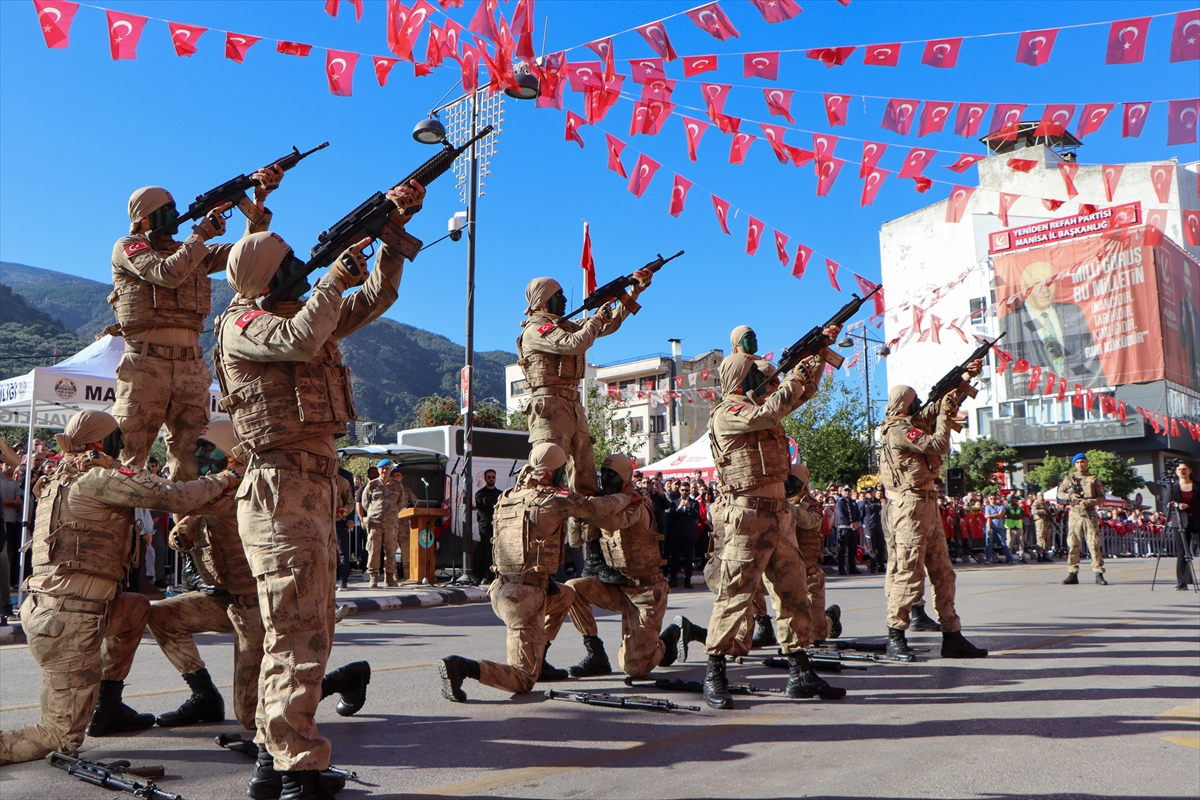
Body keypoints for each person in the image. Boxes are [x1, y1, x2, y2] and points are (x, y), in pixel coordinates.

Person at [213, 180, 424, 799]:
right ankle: (297, 771)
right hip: (279, 489)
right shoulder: (243, 323)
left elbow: (376, 297)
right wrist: (332, 279)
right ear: (265, 276)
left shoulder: (305, 314)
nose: (302, 269)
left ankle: (273, 761)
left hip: (309, 489)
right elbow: (301, 339)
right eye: (290, 263)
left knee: (307, 629)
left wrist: (391, 234)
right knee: (296, 632)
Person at [0, 411, 238, 766]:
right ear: (99, 442)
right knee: (60, 736)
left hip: (66, 609)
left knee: (136, 608)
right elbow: (173, 497)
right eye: (116, 436)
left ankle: (108, 705)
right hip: (69, 620)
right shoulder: (97, 478)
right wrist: (227, 477)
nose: (122, 443)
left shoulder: (58, 477)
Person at [148, 422, 367, 799]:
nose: (201, 456)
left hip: (258, 607)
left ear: (233, 453)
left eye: (208, 449)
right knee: (161, 615)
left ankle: (341, 681)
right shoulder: (217, 486)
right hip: (226, 599)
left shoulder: (245, 485)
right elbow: (181, 529)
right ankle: (203, 694)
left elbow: (180, 497)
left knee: (252, 714)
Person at [110, 168, 282, 481]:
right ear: (144, 219)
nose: (175, 214)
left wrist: (257, 201)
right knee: (130, 456)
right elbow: (166, 274)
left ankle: (185, 513)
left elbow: (247, 254)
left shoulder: (192, 250)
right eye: (167, 209)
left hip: (190, 364)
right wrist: (200, 235)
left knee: (190, 459)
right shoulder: (128, 246)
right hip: (146, 363)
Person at [702, 346, 846, 710]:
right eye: (757, 373)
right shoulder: (729, 413)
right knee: (736, 595)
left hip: (779, 515)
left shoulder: (762, 409)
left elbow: (799, 395)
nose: (766, 378)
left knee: (792, 594)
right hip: (748, 516)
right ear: (740, 378)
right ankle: (715, 670)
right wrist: (794, 376)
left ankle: (800, 671)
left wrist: (813, 361)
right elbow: (770, 411)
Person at [437, 443, 633, 701]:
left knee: (566, 595)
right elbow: (598, 509)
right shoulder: (553, 500)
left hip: (502, 589)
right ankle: (463, 667)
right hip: (524, 598)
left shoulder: (509, 495)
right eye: (561, 469)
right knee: (523, 679)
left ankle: (540, 658)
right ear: (552, 472)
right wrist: (628, 496)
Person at [516, 270, 652, 573]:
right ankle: (541, 566)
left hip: (573, 408)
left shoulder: (561, 325)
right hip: (549, 409)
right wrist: (596, 318)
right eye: (559, 295)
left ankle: (592, 558)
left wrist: (635, 291)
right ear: (542, 301)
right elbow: (576, 343)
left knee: (587, 483)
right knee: (548, 485)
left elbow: (607, 325)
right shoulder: (537, 330)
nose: (565, 299)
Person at [878, 379, 988, 662]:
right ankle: (895, 635)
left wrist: (961, 384)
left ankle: (952, 635)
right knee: (909, 573)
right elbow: (939, 444)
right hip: (910, 507)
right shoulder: (899, 430)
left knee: (943, 572)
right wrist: (943, 417)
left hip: (926, 504)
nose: (919, 405)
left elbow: (934, 407)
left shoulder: (909, 423)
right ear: (904, 404)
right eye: (914, 400)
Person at [549, 454, 672, 679]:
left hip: (646, 592)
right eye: (603, 474)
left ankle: (668, 639)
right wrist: (576, 517)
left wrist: (584, 508)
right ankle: (596, 654)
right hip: (619, 587)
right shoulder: (604, 504)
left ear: (625, 477)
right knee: (572, 587)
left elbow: (614, 521)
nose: (606, 479)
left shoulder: (636, 502)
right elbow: (576, 542)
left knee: (634, 669)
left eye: (612, 474)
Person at [787, 464, 842, 644]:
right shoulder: (777, 502)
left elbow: (807, 521)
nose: (788, 485)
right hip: (785, 572)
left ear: (803, 485)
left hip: (809, 573)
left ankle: (830, 618)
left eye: (793, 481)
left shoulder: (813, 505)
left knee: (817, 635)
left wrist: (786, 506)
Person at [362, 461, 416, 588]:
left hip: (391, 524)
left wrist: (391, 513)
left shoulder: (397, 485)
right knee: (374, 551)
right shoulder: (372, 485)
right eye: (382, 468)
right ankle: (373, 577)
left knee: (391, 551)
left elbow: (401, 502)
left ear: (390, 469)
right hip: (375, 523)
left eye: (387, 468)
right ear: (378, 470)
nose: (384, 471)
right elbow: (365, 503)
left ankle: (390, 577)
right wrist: (375, 512)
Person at [1058, 454, 1107, 585]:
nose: (1080, 464)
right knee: (1073, 544)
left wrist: (1090, 501)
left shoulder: (1093, 478)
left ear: (1087, 463)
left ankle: (1098, 573)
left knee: (1094, 544)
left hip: (1089, 514)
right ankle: (1072, 573)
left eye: (1082, 462)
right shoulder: (1070, 478)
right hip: (1075, 515)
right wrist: (1071, 496)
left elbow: (1102, 497)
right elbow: (1060, 493)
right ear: (1075, 464)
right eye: (1078, 462)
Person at [1166, 460, 1196, 590]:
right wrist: (1177, 505)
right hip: (1180, 521)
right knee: (1182, 552)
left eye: (1184, 469)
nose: (1182, 471)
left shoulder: (1197, 485)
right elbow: (1167, 503)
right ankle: (1183, 581)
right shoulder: (1173, 487)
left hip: (1197, 520)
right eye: (1179, 469)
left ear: (1190, 470)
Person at [473, 469, 502, 584]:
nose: (491, 479)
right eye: (489, 477)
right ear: (485, 479)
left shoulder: (500, 494)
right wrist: (490, 520)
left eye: (493, 477)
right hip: (486, 526)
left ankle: (495, 574)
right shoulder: (480, 494)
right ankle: (485, 574)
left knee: (497, 550)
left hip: (498, 526)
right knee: (486, 550)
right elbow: (481, 510)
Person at [335, 467, 355, 590]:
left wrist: (347, 515)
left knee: (342, 550)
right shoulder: (316, 474)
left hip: (338, 520)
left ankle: (343, 580)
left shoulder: (343, 478)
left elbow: (350, 500)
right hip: (320, 522)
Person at [835, 484, 862, 575]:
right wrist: (850, 523)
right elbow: (841, 514)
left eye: (848, 491)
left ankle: (852, 567)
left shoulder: (853, 502)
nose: (847, 492)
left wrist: (856, 522)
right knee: (842, 549)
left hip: (853, 528)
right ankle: (841, 569)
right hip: (844, 527)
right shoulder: (840, 502)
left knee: (853, 548)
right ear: (842, 492)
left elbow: (858, 513)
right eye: (845, 491)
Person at [859, 487, 885, 574]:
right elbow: (861, 515)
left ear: (874, 492)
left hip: (879, 526)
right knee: (871, 548)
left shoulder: (879, 502)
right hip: (869, 527)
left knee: (881, 547)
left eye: (871, 492)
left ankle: (881, 565)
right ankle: (873, 567)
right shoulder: (864, 503)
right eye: (868, 492)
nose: (870, 494)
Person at [983, 494, 1014, 564]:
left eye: (994, 498)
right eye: (991, 498)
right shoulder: (988, 507)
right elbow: (988, 519)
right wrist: (989, 528)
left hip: (999, 527)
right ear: (989, 499)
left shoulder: (1001, 506)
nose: (993, 500)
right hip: (990, 526)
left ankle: (1009, 558)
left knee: (1003, 543)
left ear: (997, 498)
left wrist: (990, 515)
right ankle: (988, 559)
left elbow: (999, 515)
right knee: (989, 543)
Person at [1005, 493, 1028, 563]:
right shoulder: (1007, 508)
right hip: (1010, 527)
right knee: (1009, 544)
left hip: (1019, 527)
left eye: (1016, 500)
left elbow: (1022, 515)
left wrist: (1015, 516)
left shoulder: (1020, 508)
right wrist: (1017, 516)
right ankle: (1009, 557)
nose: (1014, 501)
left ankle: (1021, 557)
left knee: (1021, 543)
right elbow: (1009, 515)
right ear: (1010, 501)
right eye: (1013, 500)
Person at [1030, 492, 1053, 561]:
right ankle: (1039, 554)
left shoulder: (1044, 503)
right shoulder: (1036, 503)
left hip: (1046, 522)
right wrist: (1042, 511)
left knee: (1047, 538)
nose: (1041, 497)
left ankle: (1045, 553)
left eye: (1042, 495)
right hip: (1040, 521)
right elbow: (1033, 511)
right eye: (1040, 495)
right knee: (1040, 538)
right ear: (1037, 496)